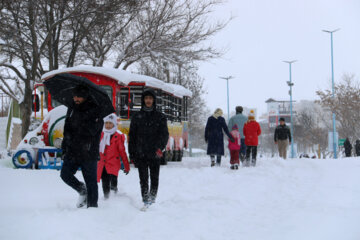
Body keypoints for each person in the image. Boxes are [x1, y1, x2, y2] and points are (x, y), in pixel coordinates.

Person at [60, 85, 104, 208]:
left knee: (91, 182)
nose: (76, 98)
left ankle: (92, 206)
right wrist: (65, 148)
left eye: (79, 96)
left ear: (85, 96)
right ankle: (81, 190)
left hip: (88, 151)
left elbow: (93, 131)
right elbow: (66, 130)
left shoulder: (96, 110)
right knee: (65, 174)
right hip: (72, 150)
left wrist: (80, 121)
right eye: (74, 96)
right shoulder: (72, 108)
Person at [128, 89, 169, 210]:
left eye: (150, 98)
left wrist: (159, 148)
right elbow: (132, 136)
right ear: (143, 100)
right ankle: (145, 199)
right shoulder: (136, 116)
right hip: (140, 152)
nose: (148, 101)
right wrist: (132, 154)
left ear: (154, 100)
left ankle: (153, 197)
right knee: (143, 178)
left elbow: (164, 135)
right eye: (146, 98)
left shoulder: (160, 117)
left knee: (154, 177)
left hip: (155, 152)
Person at [97, 113, 130, 199]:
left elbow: (122, 152)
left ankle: (114, 200)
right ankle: (107, 199)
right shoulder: (101, 135)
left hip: (113, 164)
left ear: (114, 124)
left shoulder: (118, 137)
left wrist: (126, 166)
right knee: (105, 183)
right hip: (103, 164)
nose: (108, 125)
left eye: (110, 123)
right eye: (106, 123)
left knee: (113, 183)